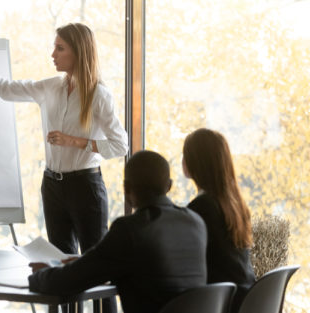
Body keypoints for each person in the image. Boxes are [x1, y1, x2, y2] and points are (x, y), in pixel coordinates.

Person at [0, 23, 128, 256]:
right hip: (52, 186)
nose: (53, 55)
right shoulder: (51, 87)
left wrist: (75, 141)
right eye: (54, 47)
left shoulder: (99, 95)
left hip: (85, 187)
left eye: (60, 48)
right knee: (60, 264)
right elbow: (6, 89)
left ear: (78, 52)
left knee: (97, 264)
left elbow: (121, 145)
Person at [28, 150, 208, 313]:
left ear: (126, 189)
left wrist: (39, 276)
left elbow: (66, 282)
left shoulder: (130, 230)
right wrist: (87, 261)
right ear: (169, 186)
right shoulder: (196, 223)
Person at [182, 128, 255, 311]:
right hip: (243, 300)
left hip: (220, 304)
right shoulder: (236, 205)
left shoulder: (201, 208)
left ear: (194, 163)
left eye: (185, 155)